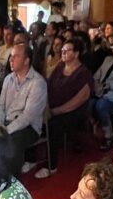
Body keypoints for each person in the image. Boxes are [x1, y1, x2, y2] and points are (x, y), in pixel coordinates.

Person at [36, 40, 94, 178]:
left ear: (76, 53)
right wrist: (46, 105)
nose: (63, 53)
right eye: (62, 50)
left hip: (73, 112)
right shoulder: (60, 66)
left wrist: (56, 111)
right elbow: (48, 86)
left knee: (53, 125)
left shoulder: (83, 73)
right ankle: (31, 157)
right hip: (52, 108)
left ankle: (51, 165)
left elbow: (78, 100)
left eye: (67, 50)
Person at [0, 44, 48, 176]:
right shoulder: (8, 79)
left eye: (15, 56)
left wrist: (6, 130)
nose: (10, 60)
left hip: (29, 127)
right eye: (11, 56)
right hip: (6, 123)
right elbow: (0, 105)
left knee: (12, 142)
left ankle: (11, 181)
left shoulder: (38, 83)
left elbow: (27, 117)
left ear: (26, 60)